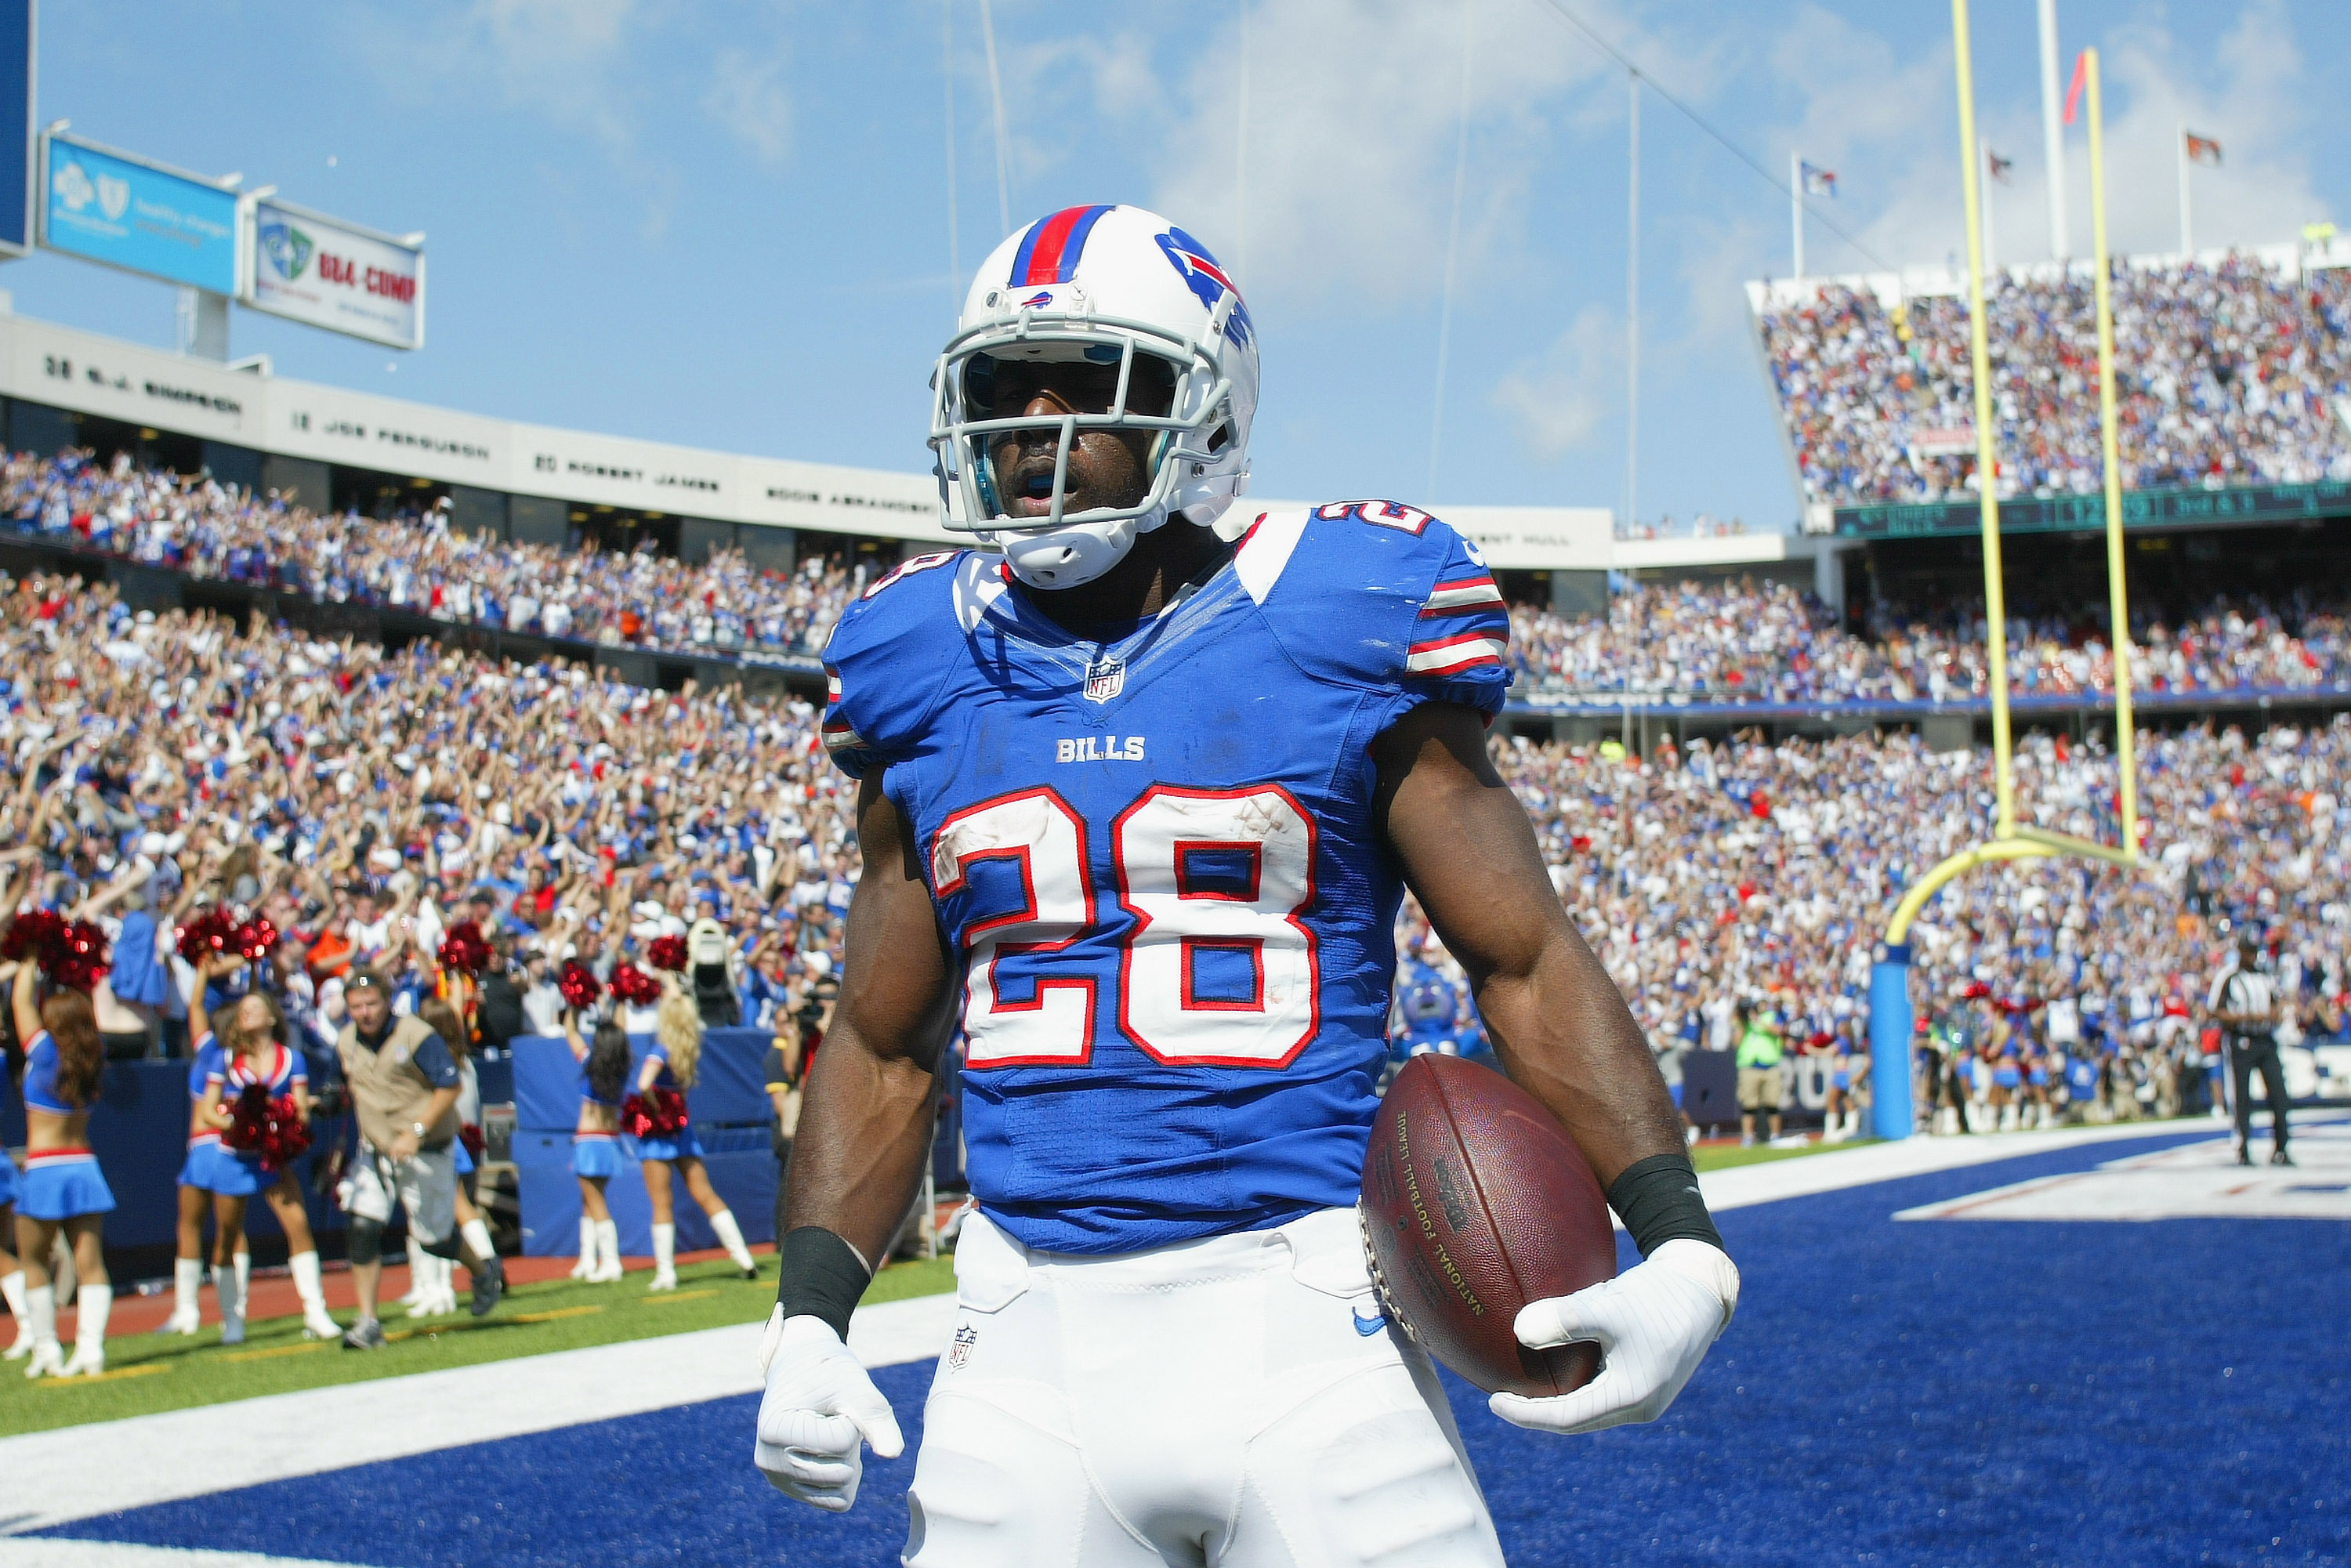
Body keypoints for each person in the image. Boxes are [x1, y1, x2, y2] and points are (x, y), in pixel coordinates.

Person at [753, 205, 1738, 1560]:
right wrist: (809, 1317)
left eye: (1083, 383)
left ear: (1196, 407)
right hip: (1023, 1331)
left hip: (1309, 1314)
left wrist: (1681, 1244)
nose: (1032, 430)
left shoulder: (1345, 604)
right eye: (1000, 388)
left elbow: (1522, 956)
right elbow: (882, 1037)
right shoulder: (916, 654)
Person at [331, 969, 502, 1349]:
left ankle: (482, 1269)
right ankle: (368, 1322)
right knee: (362, 1228)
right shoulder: (345, 1041)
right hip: (377, 1149)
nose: (365, 1013)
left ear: (387, 1001)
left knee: (434, 1239)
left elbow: (450, 1085)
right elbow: (342, 1086)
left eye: (372, 1003)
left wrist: (417, 1131)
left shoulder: (415, 1035)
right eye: (356, 1006)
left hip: (426, 1146)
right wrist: (323, 1100)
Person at [192, 977, 318, 1345]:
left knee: (298, 1226)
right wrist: (238, 1123)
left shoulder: (291, 1058)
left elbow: (301, 1111)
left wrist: (280, 1125)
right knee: (227, 1235)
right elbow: (207, 1112)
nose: (245, 1012)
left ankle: (316, 1312)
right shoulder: (225, 1058)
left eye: (254, 1007)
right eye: (242, 1009)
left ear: (271, 1017)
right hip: (233, 1157)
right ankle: (232, 1319)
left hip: (271, 1157)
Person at [9, 958, 114, 1377]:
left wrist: (31, 954)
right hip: (84, 1165)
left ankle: (47, 1348)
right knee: (91, 1262)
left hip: (46, 1168)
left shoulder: (45, 1054)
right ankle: (91, 1349)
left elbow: (20, 1000)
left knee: (33, 1259)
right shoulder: (91, 1057)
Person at [630, 984, 758, 1290]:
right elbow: (683, 1092)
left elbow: (643, 1083)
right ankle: (744, 1257)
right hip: (682, 1129)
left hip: (659, 1131)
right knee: (705, 1192)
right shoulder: (688, 1049)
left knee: (661, 1202)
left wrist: (655, 1106)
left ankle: (666, 1273)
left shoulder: (661, 1048)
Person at [417, 998, 509, 1316]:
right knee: (451, 1209)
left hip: (446, 1141)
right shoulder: (464, 1061)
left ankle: (477, 1269)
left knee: (443, 1211)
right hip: (465, 1141)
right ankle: (436, 1282)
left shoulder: (435, 1064)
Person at [2211, 932, 2291, 1166]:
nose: (2253, 956)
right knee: (2241, 1096)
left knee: (2279, 1094)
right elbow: (2215, 1010)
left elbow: (2277, 1002)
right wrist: (2244, 1017)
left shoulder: (2264, 975)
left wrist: (2273, 1014)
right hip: (2241, 1039)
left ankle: (2282, 1146)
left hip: (2265, 1040)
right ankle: (2243, 1147)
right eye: (2249, 951)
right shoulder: (2229, 976)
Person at [563, 1009, 631, 1282]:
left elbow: (570, 1032)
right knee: (588, 1202)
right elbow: (621, 1030)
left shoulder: (590, 1064)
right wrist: (623, 1001)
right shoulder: (622, 1070)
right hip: (610, 1141)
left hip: (589, 1141)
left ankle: (611, 1261)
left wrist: (573, 1005)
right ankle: (587, 1260)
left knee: (595, 1201)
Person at [763, 1026, 803, 1263]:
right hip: (788, 1130)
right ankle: (784, 1237)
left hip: (793, 1127)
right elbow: (779, 1103)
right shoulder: (777, 1055)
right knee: (790, 1182)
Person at [1735, 998, 1788, 1146]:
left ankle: (1775, 1135)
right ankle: (1748, 1137)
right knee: (1749, 1104)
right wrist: (1743, 1022)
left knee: (1772, 1103)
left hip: (1770, 1064)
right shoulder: (1743, 1022)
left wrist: (1758, 1020)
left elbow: (1779, 1030)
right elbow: (1736, 1042)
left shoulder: (1770, 1016)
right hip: (1749, 1065)